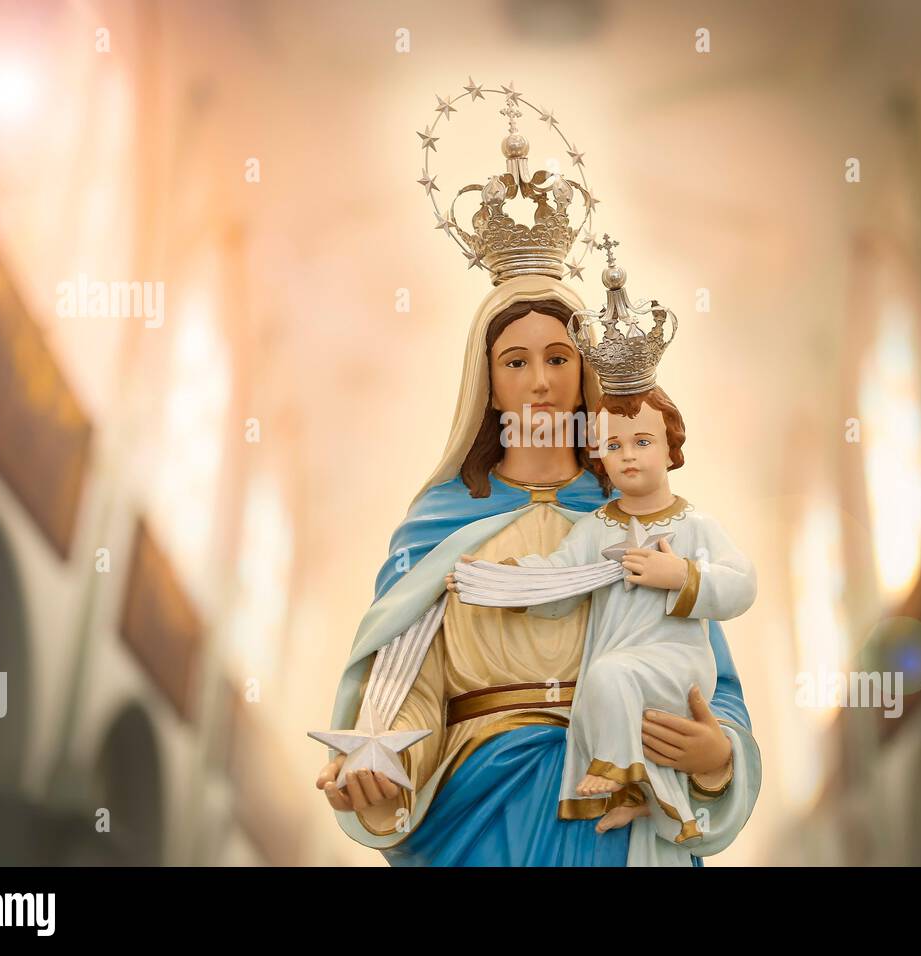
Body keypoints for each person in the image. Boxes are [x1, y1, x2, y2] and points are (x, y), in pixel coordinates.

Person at [316, 275, 761, 865]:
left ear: (585, 376)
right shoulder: (440, 523)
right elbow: (409, 684)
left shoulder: (645, 520)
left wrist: (716, 756)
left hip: (612, 809)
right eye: (515, 361)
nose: (541, 382)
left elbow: (707, 675)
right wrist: (387, 763)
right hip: (480, 803)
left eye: (558, 358)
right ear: (488, 383)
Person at [447, 385, 756, 847]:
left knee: (609, 675)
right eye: (614, 446)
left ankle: (613, 772)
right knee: (606, 682)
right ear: (599, 456)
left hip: (677, 666)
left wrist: (681, 574)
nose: (628, 456)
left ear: (672, 450)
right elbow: (558, 582)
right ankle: (636, 791)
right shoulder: (597, 529)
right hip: (619, 670)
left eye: (643, 442)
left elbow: (741, 585)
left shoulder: (695, 527)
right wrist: (499, 579)